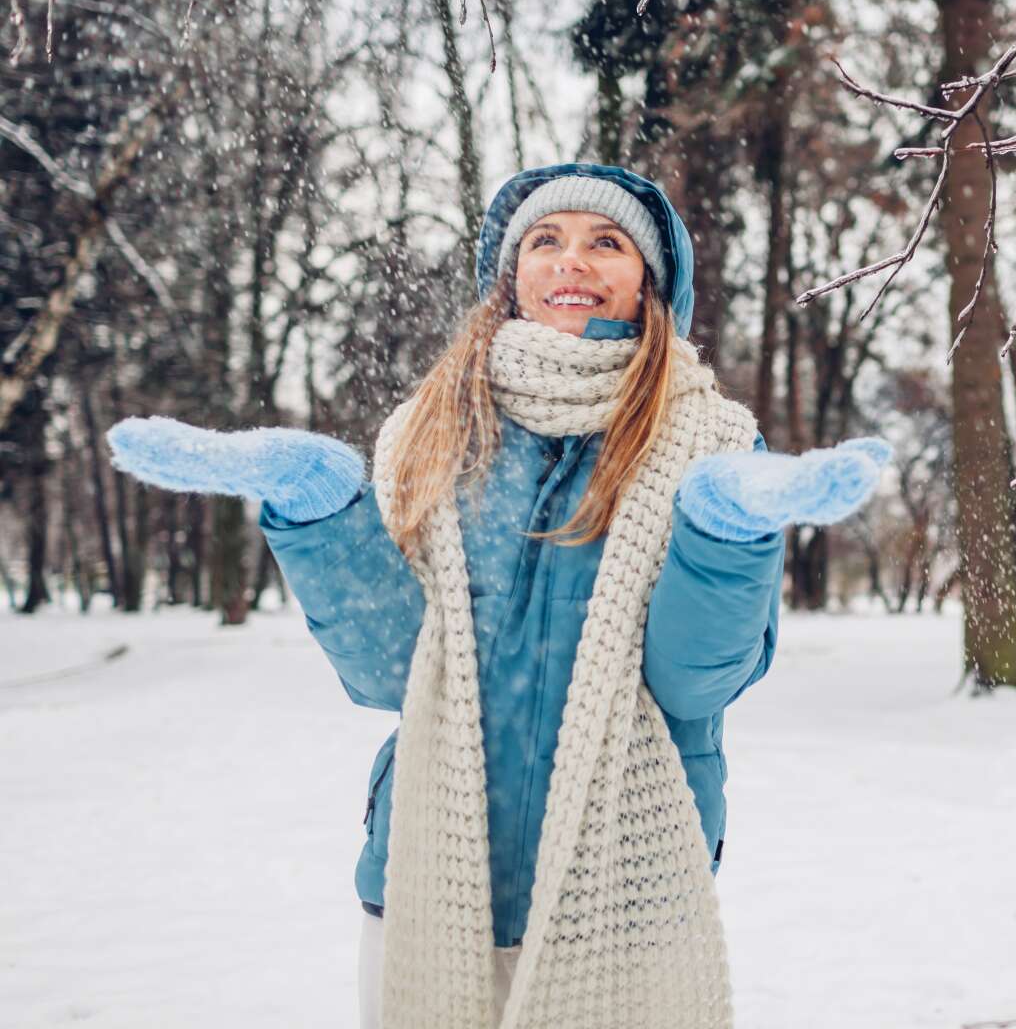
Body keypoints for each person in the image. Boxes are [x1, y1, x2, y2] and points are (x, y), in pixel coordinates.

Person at [106, 163, 891, 1028]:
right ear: (510, 276)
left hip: (628, 891)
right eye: (544, 241)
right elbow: (388, 672)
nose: (572, 261)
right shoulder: (431, 428)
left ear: (650, 283)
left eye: (607, 242)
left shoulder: (707, 441)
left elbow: (692, 687)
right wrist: (319, 510)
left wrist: (723, 532)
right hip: (429, 875)